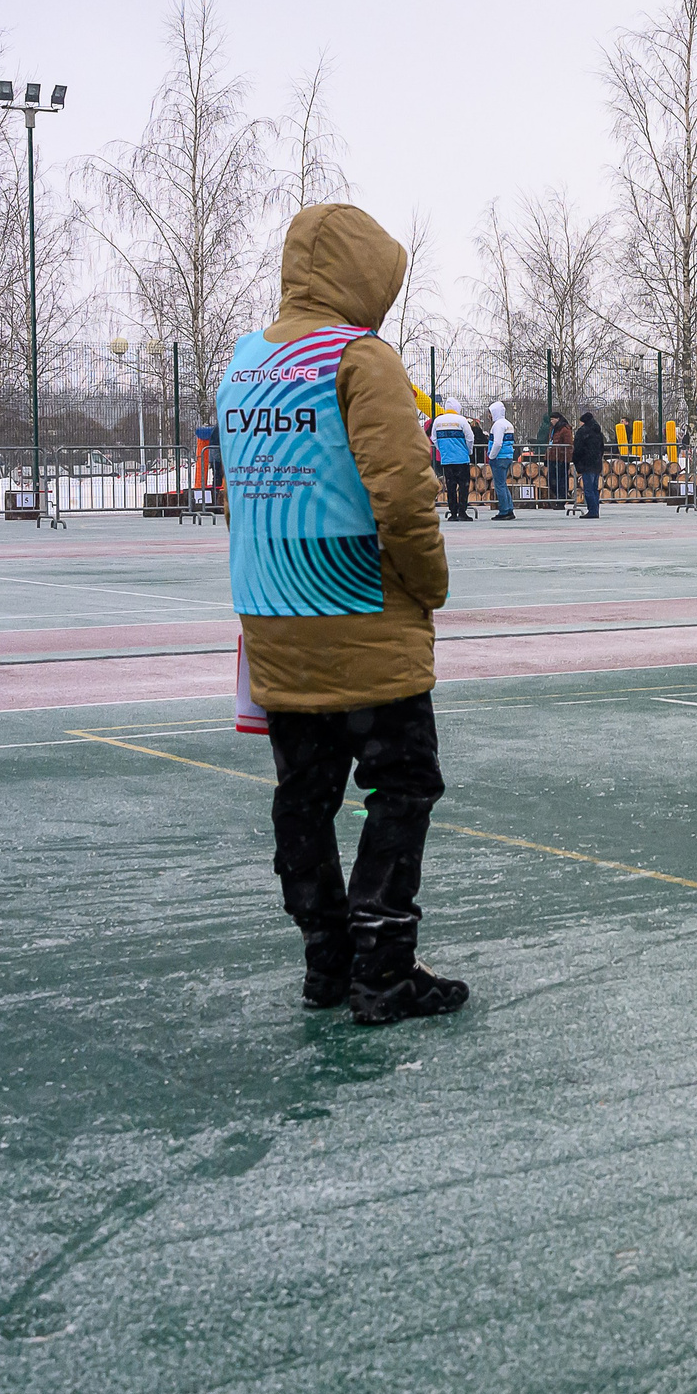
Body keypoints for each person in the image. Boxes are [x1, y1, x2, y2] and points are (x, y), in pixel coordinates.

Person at [216, 202, 463, 1025]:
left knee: (304, 792)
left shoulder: (245, 363)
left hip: (273, 617)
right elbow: (402, 492)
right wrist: (429, 582)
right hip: (362, 613)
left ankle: (324, 958)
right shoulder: (362, 358)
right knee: (403, 784)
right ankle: (384, 965)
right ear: (365, 274)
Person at [430, 395, 474, 521]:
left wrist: (442, 450)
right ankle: (462, 512)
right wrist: (468, 451)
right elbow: (470, 438)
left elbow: (434, 438)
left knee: (450, 486)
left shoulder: (438, 421)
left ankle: (453, 513)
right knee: (463, 486)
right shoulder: (461, 420)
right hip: (461, 459)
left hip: (447, 459)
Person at [484, 402, 518, 520]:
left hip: (499, 457)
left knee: (499, 485)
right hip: (507, 456)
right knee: (503, 484)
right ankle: (509, 509)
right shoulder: (508, 424)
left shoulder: (497, 425)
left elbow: (497, 443)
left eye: (490, 413)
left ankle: (504, 511)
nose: (489, 415)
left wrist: (491, 456)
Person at [572, 410, 606, 518]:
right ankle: (595, 509)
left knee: (588, 488)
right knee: (594, 488)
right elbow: (602, 448)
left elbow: (578, 449)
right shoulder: (598, 432)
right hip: (596, 463)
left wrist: (576, 461)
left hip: (586, 463)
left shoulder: (583, 432)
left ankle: (592, 510)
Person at [546, 411, 572, 502]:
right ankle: (559, 496)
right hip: (553, 458)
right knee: (551, 479)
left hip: (561, 459)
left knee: (561, 479)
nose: (551, 421)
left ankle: (562, 497)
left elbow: (568, 445)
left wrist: (565, 458)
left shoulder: (565, 429)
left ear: (558, 419)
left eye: (553, 419)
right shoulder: (553, 429)